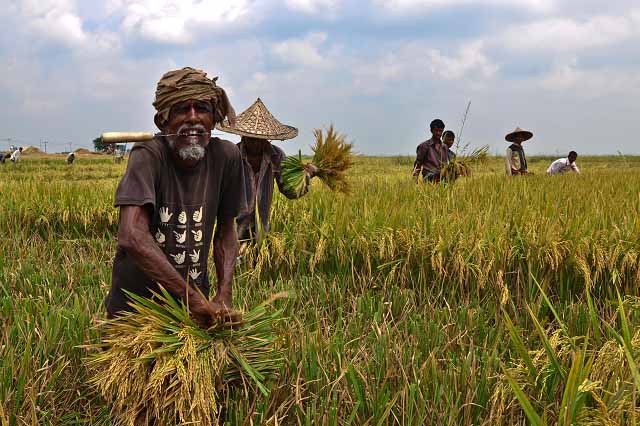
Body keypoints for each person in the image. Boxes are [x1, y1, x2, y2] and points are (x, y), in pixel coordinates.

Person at [104, 67, 245, 328]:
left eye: (202, 108)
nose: (193, 118)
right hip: (138, 310)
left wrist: (224, 293)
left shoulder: (226, 157)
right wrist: (195, 300)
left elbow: (226, 230)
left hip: (193, 309)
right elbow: (132, 235)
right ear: (162, 122)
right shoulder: (148, 155)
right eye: (181, 109)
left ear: (214, 119)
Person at [216, 98, 317, 242]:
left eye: (260, 139)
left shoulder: (276, 156)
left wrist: (306, 176)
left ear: (267, 138)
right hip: (233, 231)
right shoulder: (233, 155)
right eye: (251, 138)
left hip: (261, 231)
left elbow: (290, 191)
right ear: (242, 135)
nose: (255, 143)